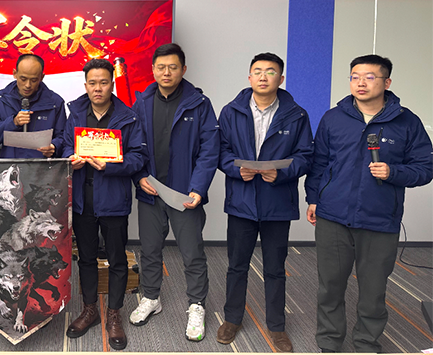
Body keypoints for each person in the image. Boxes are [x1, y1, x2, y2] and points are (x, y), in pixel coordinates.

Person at [305, 55, 433, 353]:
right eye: (355, 76)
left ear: (387, 82)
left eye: (369, 77)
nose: (360, 83)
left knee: (373, 291)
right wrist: (313, 199)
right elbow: (319, 163)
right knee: (330, 286)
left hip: (380, 220)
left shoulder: (407, 122)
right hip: (333, 216)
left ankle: (366, 343)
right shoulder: (333, 118)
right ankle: (329, 342)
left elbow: (425, 168)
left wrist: (394, 172)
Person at [216, 53, 313, 352]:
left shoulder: (297, 114)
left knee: (275, 268)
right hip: (242, 200)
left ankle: (277, 326)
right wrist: (236, 169)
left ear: (280, 79)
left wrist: (282, 174)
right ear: (249, 77)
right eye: (257, 71)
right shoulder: (231, 111)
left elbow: (306, 156)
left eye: (270, 71)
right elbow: (220, 151)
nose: (263, 76)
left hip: (277, 202)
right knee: (237, 265)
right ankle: (232, 319)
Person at [129, 43, 219, 342]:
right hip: (151, 191)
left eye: (173, 67)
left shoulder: (199, 103)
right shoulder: (142, 102)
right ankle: (151, 297)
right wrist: (139, 176)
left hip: (184, 194)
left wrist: (198, 188)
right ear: (153, 70)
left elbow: (210, 150)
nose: (166, 72)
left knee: (192, 253)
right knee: (150, 250)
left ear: (183, 69)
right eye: (161, 67)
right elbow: (133, 145)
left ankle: (197, 304)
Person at [63, 58, 147, 351]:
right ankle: (89, 310)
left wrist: (111, 166)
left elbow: (138, 157)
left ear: (112, 84)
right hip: (82, 199)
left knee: (117, 259)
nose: (97, 88)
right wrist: (70, 158)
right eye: (92, 83)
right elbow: (66, 144)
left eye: (103, 82)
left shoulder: (128, 117)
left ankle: (113, 314)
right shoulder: (75, 113)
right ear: (85, 85)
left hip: (113, 198)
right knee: (86, 257)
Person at [0, 54, 66, 158]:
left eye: (34, 80)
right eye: (23, 79)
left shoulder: (55, 103)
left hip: (43, 165)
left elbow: (64, 137)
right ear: (15, 74)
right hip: (10, 164)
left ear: (42, 77)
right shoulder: (0, 99)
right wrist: (13, 122)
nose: (28, 85)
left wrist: (54, 146)